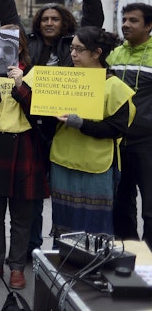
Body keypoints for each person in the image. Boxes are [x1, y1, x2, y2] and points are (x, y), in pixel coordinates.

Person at [0, 0, 104, 257]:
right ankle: (31, 247)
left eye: (55, 18)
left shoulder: (74, 44)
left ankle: (62, 247)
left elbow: (94, 18)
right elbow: (9, 20)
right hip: (31, 127)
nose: (49, 22)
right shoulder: (27, 43)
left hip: (64, 128)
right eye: (44, 19)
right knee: (31, 196)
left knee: (61, 194)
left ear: (65, 22)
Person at [0, 25, 45, 291]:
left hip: (23, 145)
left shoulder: (33, 73)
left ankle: (16, 267)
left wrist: (19, 85)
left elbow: (39, 114)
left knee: (22, 215)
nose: (1, 51)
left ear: (20, 46)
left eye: (9, 45)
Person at [50, 26, 134, 238]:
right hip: (63, 162)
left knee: (94, 224)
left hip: (97, 167)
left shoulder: (114, 86)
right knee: (64, 220)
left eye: (79, 49)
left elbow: (116, 129)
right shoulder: (64, 80)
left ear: (97, 53)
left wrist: (81, 123)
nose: (73, 54)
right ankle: (64, 266)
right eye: (72, 48)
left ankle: (92, 268)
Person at [109, 3, 152, 247]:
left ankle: (150, 264)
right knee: (121, 205)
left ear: (148, 25)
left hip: (147, 142)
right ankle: (129, 255)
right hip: (117, 143)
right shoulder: (115, 54)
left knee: (150, 210)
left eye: (133, 20)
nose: (126, 24)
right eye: (124, 19)